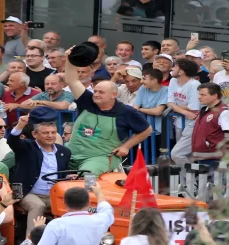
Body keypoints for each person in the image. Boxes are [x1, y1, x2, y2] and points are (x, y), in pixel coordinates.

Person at [64, 47, 151, 175]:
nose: (96, 94)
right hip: (72, 152)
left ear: (114, 95)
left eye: (101, 92)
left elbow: (146, 130)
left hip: (99, 158)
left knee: (87, 175)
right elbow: (72, 80)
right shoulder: (87, 101)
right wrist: (69, 59)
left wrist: (126, 146)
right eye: (95, 91)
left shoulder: (126, 111)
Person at [8, 108, 71, 235]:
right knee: (38, 206)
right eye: (46, 133)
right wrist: (21, 124)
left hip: (54, 194)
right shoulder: (27, 147)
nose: (50, 136)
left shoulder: (64, 151)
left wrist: (70, 176)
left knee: (74, 206)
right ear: (35, 134)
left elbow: (63, 174)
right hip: (28, 193)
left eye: (53, 132)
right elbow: (12, 141)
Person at [191, 83, 229, 172]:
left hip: (216, 159)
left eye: (203, 95)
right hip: (201, 157)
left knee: (216, 184)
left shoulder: (224, 113)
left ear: (214, 96)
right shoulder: (204, 111)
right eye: (199, 94)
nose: (199, 97)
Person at [168, 59, 202, 167]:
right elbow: (169, 103)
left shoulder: (194, 84)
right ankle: (185, 183)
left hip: (193, 123)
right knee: (182, 156)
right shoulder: (173, 81)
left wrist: (175, 107)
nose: (171, 68)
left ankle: (194, 178)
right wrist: (184, 111)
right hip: (179, 121)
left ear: (181, 71)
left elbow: (194, 109)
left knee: (177, 154)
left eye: (174, 67)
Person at [133, 69, 168, 144]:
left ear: (154, 80)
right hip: (144, 129)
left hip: (160, 131)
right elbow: (135, 108)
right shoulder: (142, 88)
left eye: (144, 79)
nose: (141, 81)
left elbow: (158, 111)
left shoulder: (166, 90)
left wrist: (141, 109)